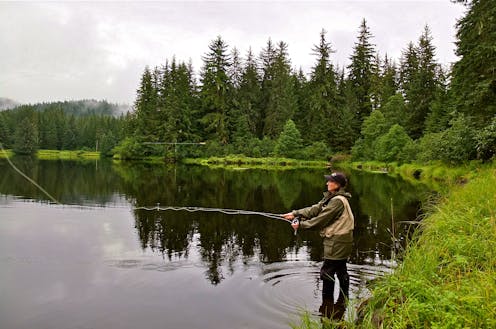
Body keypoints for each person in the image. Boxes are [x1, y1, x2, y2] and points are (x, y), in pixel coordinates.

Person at [282, 172, 354, 320]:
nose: (327, 183)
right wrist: (294, 213)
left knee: (327, 273)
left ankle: (327, 308)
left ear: (337, 185)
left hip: (337, 242)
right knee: (341, 270)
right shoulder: (331, 198)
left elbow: (320, 220)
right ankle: (343, 303)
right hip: (341, 241)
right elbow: (315, 209)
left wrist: (300, 225)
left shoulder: (337, 201)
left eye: (330, 181)